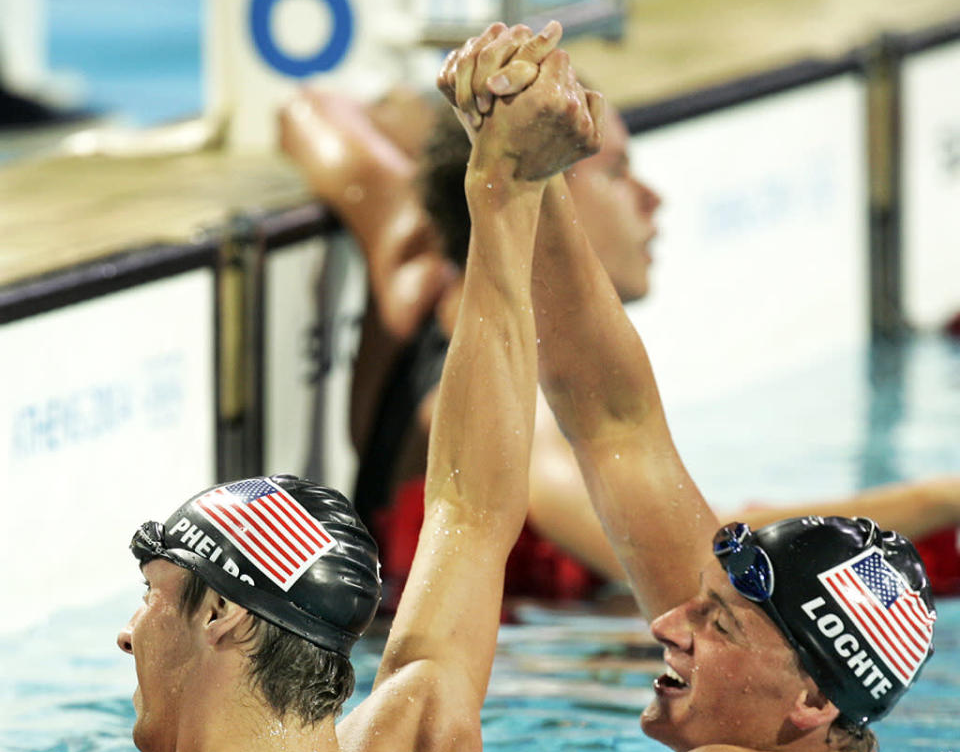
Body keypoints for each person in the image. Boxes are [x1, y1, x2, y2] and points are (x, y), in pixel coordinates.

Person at [0, 29, 602, 752]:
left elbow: (471, 512)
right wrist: (503, 189)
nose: (128, 635)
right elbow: (471, 514)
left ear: (222, 618)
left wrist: (498, 184)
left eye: (152, 593)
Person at [438, 23, 938, 752]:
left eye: (716, 623)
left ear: (812, 702)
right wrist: (526, 159)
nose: (669, 624)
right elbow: (615, 422)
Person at [279, 50, 960, 605]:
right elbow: (707, 565)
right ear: (551, 192)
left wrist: (480, 83)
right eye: (618, 171)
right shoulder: (530, 429)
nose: (652, 199)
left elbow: (309, 110)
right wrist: (940, 497)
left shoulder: (415, 270)